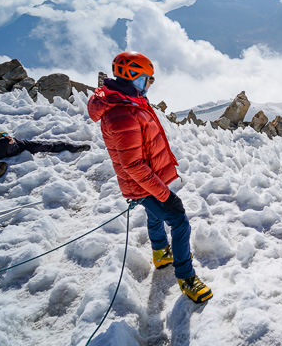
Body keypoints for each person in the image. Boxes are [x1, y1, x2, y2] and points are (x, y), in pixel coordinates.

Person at [87, 51, 212, 304]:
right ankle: (186, 278)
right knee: (178, 220)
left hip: (148, 179)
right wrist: (165, 194)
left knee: (155, 214)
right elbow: (133, 165)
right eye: (147, 79)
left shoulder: (128, 101)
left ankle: (160, 254)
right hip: (141, 183)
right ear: (132, 76)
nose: (150, 84)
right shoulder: (121, 113)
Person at [0, 132, 90, 181]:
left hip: (17, 144)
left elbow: (1, 134)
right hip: (4, 150)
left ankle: (74, 148)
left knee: (43, 145)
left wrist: (6, 136)